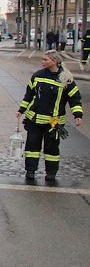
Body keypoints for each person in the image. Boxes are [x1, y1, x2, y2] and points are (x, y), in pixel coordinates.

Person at [17, 50, 83, 183]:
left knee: (52, 148)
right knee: (31, 147)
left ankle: (51, 173)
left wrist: (78, 115)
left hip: (54, 122)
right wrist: (21, 110)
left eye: (45, 59)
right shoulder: (38, 76)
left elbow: (75, 99)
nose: (42, 62)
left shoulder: (66, 79)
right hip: (34, 120)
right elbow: (29, 95)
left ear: (54, 61)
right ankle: (30, 171)